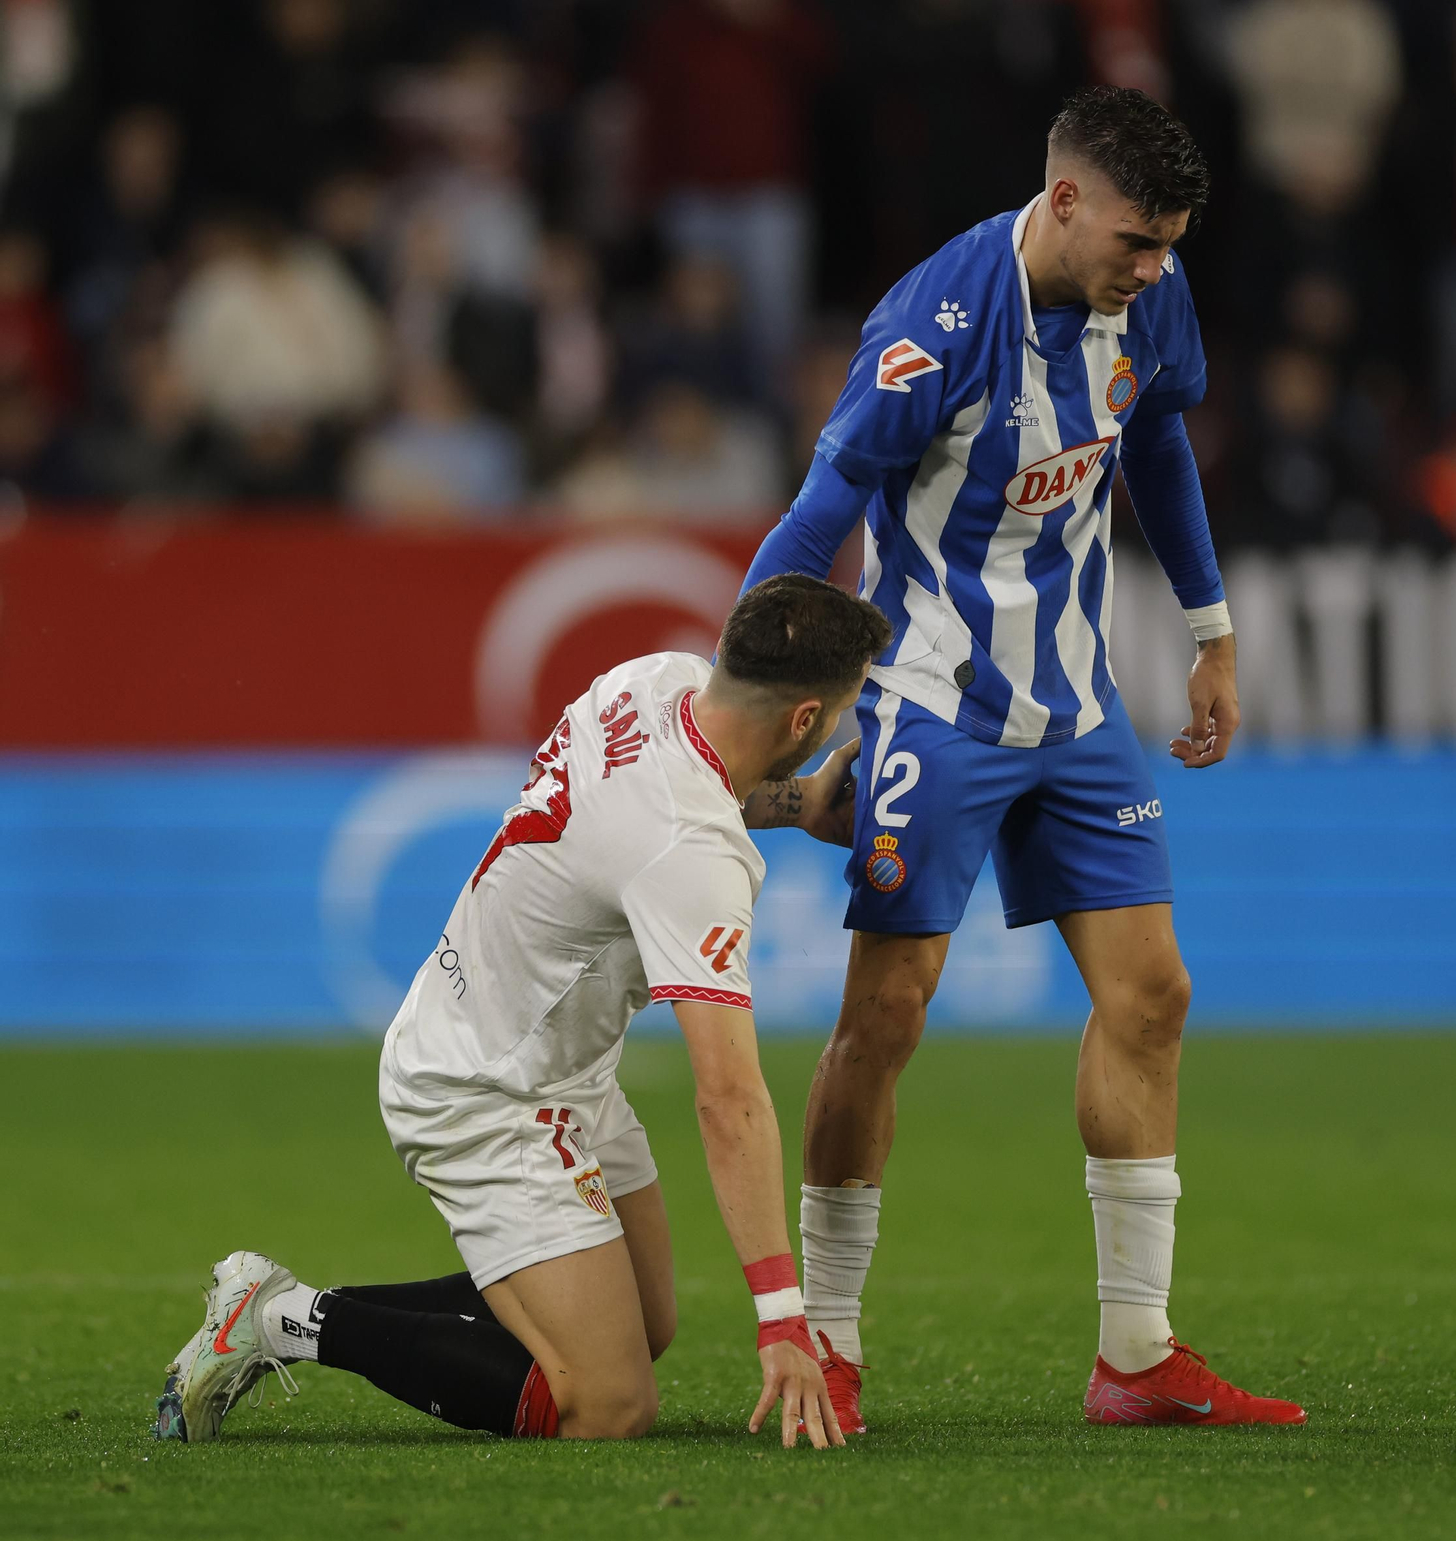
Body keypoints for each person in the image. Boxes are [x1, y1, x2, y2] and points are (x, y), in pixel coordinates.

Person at [741, 86, 1307, 1430]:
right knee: (886, 1015)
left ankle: (1135, 1353)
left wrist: (1213, 629)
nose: (1155, 267)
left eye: (1171, 244)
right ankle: (828, 1337)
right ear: (1061, 203)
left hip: (1079, 705)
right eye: (1136, 240)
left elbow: (1157, 441)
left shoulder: (1150, 298)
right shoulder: (930, 331)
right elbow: (816, 521)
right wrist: (751, 716)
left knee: (1154, 994)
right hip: (932, 703)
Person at [155, 575, 892, 1449]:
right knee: (609, 1403)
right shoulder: (693, 855)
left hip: (543, 1055)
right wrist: (781, 1316)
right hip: (484, 1088)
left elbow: (676, 801)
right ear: (806, 719)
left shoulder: (652, 680)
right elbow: (729, 1097)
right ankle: (286, 1318)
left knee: (646, 1323)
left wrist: (800, 801)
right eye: (841, 714)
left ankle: (292, 1304)